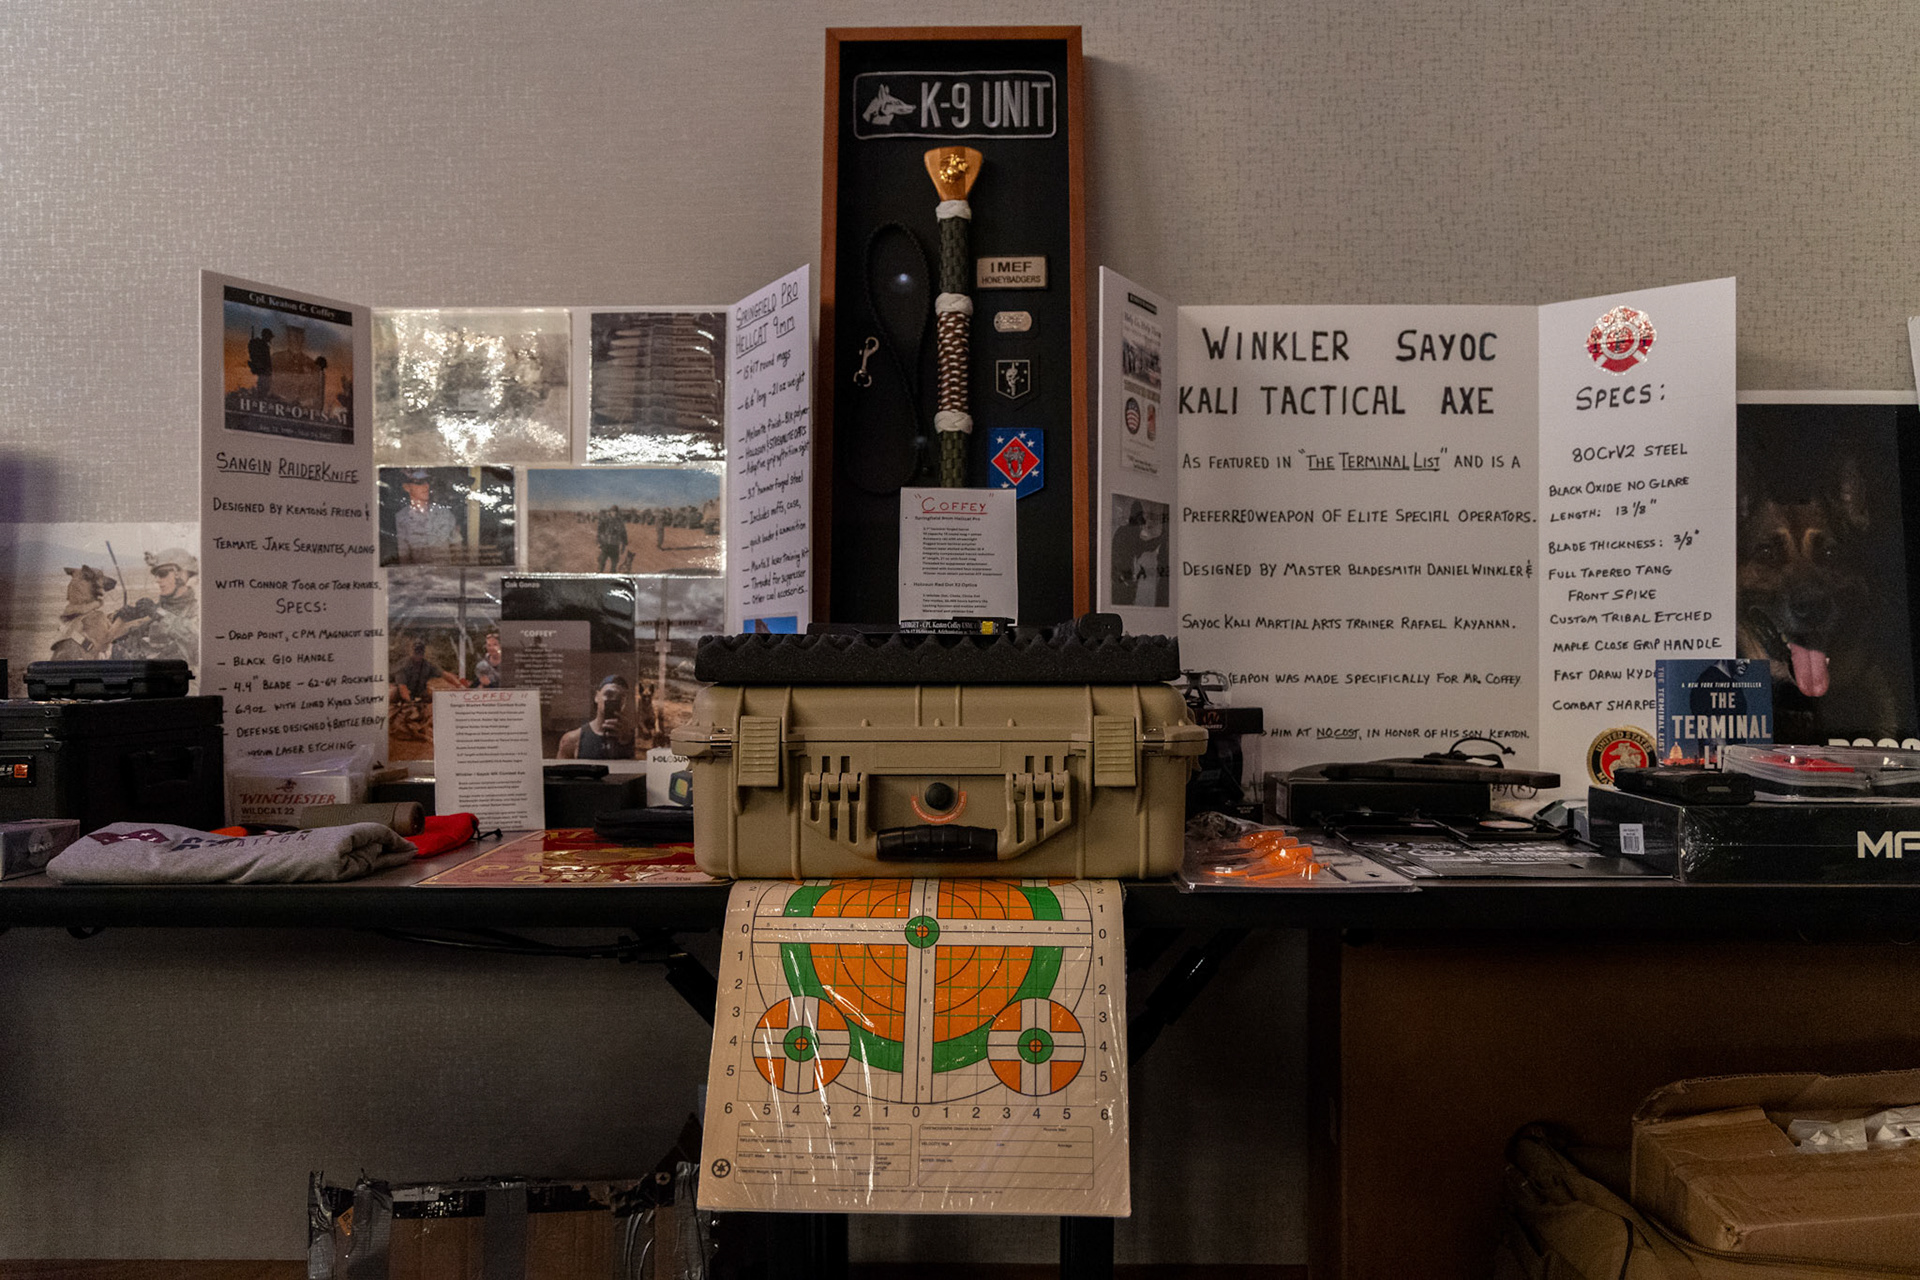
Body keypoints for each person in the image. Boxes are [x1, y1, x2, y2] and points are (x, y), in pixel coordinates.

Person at [111, 547, 200, 665]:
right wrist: (131, 617)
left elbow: (194, 636)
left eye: (162, 574)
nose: (157, 580)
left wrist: (157, 613)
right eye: (156, 575)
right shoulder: (161, 608)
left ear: (181, 575)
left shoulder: (196, 609)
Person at [557, 673, 637, 760]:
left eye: (620, 698)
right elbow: (559, 772)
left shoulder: (634, 740)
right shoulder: (573, 739)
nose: (614, 700)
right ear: (596, 697)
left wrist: (627, 742)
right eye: (609, 694)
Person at [393, 468, 458, 564]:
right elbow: (404, 558)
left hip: (445, 575)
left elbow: (458, 552)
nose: (426, 486)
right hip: (419, 576)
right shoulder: (401, 518)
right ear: (407, 487)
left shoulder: (445, 514)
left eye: (427, 482)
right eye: (419, 483)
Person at [596, 506, 628, 573]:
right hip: (605, 545)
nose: (614, 513)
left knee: (614, 565)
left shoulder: (620, 522)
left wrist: (624, 546)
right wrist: (599, 542)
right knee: (601, 563)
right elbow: (599, 531)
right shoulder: (605, 521)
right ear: (610, 512)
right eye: (613, 512)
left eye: (616, 512)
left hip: (615, 546)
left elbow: (624, 534)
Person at [247, 327, 274, 397]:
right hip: (263, 370)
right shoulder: (262, 345)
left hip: (264, 370)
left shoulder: (263, 345)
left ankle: (261, 396)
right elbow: (260, 358)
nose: (270, 339)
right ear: (266, 336)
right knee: (263, 385)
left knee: (265, 385)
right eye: (269, 336)